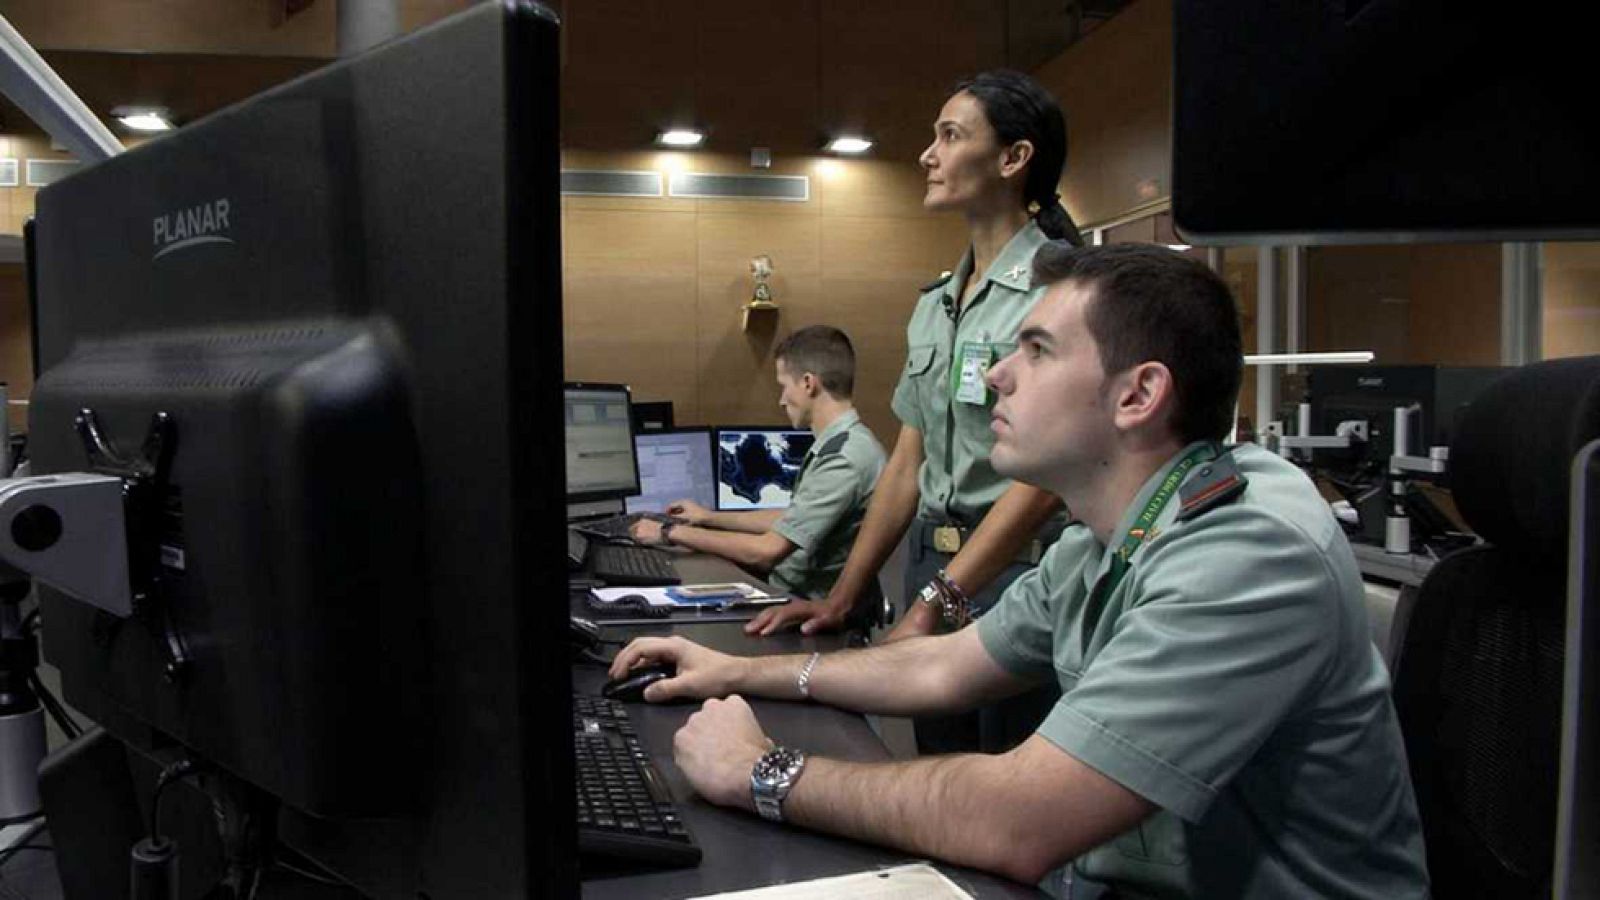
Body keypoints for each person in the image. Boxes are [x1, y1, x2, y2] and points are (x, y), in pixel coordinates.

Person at [608, 243, 1431, 898]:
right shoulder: (1100, 537)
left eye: (1036, 349)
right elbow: (940, 667)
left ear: (1137, 395)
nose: (997, 373)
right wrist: (736, 670)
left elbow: (1019, 820)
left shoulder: (1246, 553)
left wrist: (761, 771)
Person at [750, 68, 1084, 753]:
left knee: (1007, 795)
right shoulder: (936, 302)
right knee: (940, 769)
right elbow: (908, 462)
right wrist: (845, 595)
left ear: (1014, 159)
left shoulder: (1063, 289)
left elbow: (1048, 475)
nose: (928, 154)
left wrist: (940, 603)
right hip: (932, 567)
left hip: (1018, 573)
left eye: (950, 135)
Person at [632, 326, 885, 606]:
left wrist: (668, 533)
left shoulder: (843, 458)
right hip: (789, 591)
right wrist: (708, 517)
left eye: (783, 386)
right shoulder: (848, 443)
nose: (781, 399)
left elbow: (765, 551)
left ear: (808, 383)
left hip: (802, 605)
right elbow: (793, 519)